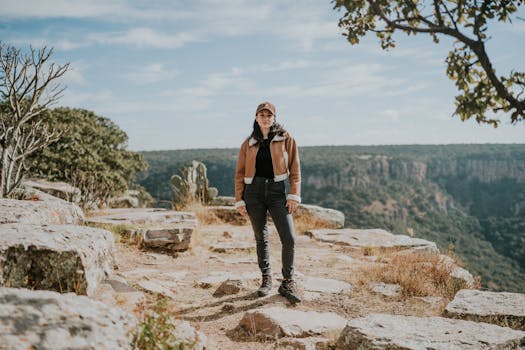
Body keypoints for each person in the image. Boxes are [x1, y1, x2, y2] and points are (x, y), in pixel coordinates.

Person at [234, 101, 301, 303]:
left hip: (277, 192)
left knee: (289, 237)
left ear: (274, 118)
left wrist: (293, 195)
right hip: (253, 193)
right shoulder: (248, 143)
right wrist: (240, 200)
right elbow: (239, 174)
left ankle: (287, 281)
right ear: (256, 118)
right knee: (260, 237)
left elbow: (295, 170)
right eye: (261, 115)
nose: (265, 118)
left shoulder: (285, 139)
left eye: (269, 115)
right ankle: (266, 278)